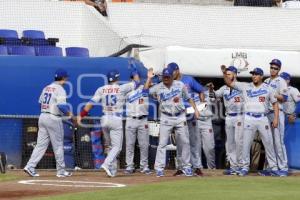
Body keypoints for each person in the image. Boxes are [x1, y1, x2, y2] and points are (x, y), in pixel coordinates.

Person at [78, 69, 136, 177]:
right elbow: (136, 83)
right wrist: (135, 72)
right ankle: (106, 163)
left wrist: (81, 115)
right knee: (117, 147)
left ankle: (112, 171)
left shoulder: (101, 89)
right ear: (117, 78)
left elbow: (91, 103)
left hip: (104, 119)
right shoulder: (121, 88)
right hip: (115, 118)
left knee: (110, 146)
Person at [224, 67, 280, 176]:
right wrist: (224, 73)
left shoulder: (268, 88)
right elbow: (229, 83)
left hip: (263, 118)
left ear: (261, 76)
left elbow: (275, 104)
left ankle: (273, 167)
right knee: (246, 144)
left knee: (268, 143)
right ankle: (245, 167)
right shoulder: (245, 86)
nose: (254, 76)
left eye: (256, 74)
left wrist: (276, 118)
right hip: (249, 118)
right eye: (253, 74)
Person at [146, 67, 200, 177]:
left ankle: (186, 166)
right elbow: (144, 91)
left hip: (180, 116)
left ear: (171, 77)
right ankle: (159, 168)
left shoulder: (180, 85)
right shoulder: (158, 87)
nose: (166, 79)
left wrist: (196, 110)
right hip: (166, 116)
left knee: (185, 142)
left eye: (168, 77)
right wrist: (148, 79)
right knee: (162, 143)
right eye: (164, 77)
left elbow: (189, 98)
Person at [24, 69, 73, 177]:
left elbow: (40, 102)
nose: (67, 79)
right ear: (63, 78)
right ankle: (61, 171)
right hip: (53, 118)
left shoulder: (47, 87)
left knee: (40, 145)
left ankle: (30, 166)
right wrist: (70, 115)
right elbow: (61, 106)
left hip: (43, 116)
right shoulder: (60, 89)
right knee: (58, 145)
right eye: (66, 77)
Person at [167, 62, 205, 176]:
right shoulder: (170, 82)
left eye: (172, 71)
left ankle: (197, 166)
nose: (170, 73)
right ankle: (181, 167)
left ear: (177, 70)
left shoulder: (189, 79)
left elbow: (201, 90)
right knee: (180, 143)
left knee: (193, 142)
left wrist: (201, 104)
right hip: (178, 115)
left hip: (190, 114)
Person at [210, 66, 244, 175]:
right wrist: (211, 89)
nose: (228, 76)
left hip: (240, 116)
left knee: (239, 142)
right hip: (229, 116)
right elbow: (213, 95)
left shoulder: (242, 86)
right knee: (230, 143)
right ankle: (233, 167)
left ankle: (241, 165)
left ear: (235, 74)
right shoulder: (224, 88)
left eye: (229, 74)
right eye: (227, 74)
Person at [264, 59, 289, 176]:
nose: (273, 69)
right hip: (267, 113)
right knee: (269, 142)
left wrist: (273, 94)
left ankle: (283, 167)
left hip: (277, 112)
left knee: (278, 141)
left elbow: (284, 98)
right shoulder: (266, 81)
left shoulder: (281, 81)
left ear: (279, 69)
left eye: (275, 68)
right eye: (272, 67)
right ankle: (272, 167)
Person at [124, 70, 151, 175]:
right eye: (134, 76)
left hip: (142, 119)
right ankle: (130, 166)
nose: (136, 78)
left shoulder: (143, 87)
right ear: (131, 78)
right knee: (130, 144)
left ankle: (144, 166)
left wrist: (149, 77)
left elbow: (146, 89)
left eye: (137, 76)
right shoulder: (127, 91)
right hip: (131, 119)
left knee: (144, 144)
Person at [197, 89, 216, 170]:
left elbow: (214, 99)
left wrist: (211, 90)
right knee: (196, 147)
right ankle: (197, 168)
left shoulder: (208, 93)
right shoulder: (191, 93)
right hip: (195, 121)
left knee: (209, 147)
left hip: (207, 121)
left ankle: (211, 168)